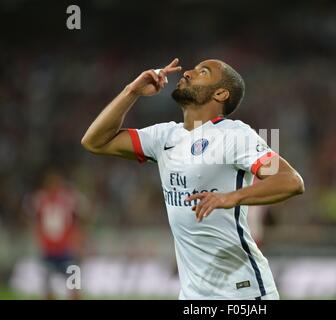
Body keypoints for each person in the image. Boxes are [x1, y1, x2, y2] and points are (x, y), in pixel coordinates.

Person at [81, 58, 305, 299]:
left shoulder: (234, 135)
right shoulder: (164, 136)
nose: (188, 73)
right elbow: (94, 141)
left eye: (203, 72)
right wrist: (131, 91)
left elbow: (291, 181)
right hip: (193, 295)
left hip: (242, 291)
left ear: (220, 93)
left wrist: (232, 197)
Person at [24, 170, 89, 299]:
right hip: (48, 249)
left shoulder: (67, 199)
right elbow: (32, 220)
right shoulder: (40, 199)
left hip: (66, 249)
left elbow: (81, 218)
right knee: (48, 287)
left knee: (74, 285)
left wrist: (79, 240)